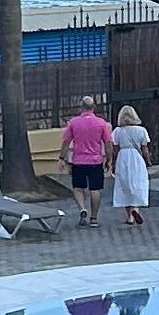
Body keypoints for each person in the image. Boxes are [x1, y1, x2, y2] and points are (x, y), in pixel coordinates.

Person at [62, 96, 112, 224]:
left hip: (78, 161)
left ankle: (82, 208)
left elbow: (66, 142)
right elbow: (107, 142)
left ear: (81, 107)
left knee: (78, 188)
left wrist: (61, 157)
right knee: (95, 189)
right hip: (95, 161)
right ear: (94, 107)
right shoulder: (101, 123)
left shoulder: (73, 123)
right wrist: (109, 159)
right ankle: (94, 218)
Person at [111, 106, 152, 230]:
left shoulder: (117, 131)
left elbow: (115, 149)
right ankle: (136, 208)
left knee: (124, 185)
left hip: (123, 157)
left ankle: (129, 216)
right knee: (138, 183)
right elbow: (145, 149)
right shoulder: (141, 130)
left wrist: (113, 163)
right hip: (136, 158)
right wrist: (148, 161)